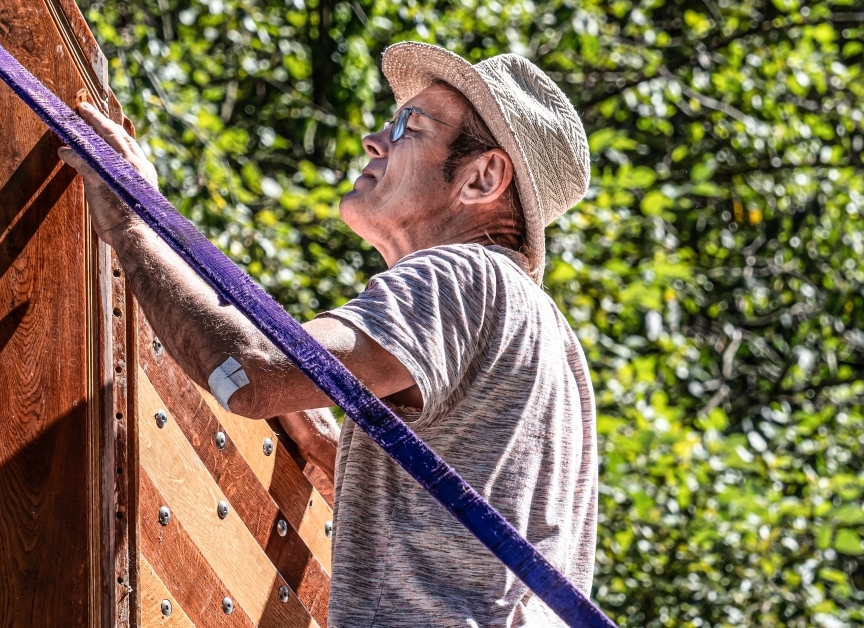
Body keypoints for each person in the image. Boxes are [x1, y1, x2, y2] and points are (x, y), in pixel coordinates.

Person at [60, 41, 598, 627]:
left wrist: (132, 220)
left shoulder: (462, 276)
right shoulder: (552, 347)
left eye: (408, 125)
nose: (376, 140)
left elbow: (247, 373)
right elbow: (471, 557)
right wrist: (343, 458)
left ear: (482, 177)